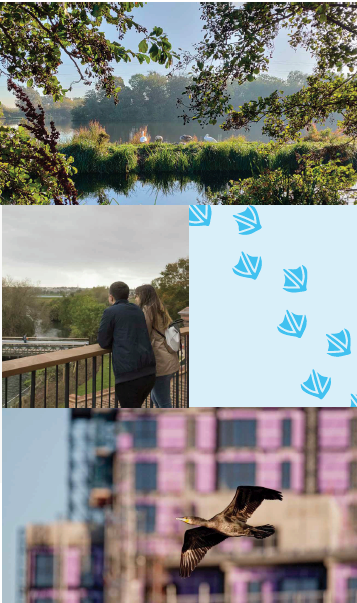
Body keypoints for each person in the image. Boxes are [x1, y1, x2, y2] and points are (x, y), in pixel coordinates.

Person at [97, 281, 156, 409]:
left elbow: (103, 342)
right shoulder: (137, 309)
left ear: (111, 297)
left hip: (129, 376)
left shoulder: (110, 312)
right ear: (127, 296)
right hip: (149, 372)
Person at [135, 284, 180, 409]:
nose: (136, 299)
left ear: (143, 296)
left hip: (160, 361)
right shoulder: (160, 308)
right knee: (156, 397)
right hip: (168, 357)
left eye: (137, 295)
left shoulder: (147, 310)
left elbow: (145, 334)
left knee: (164, 402)